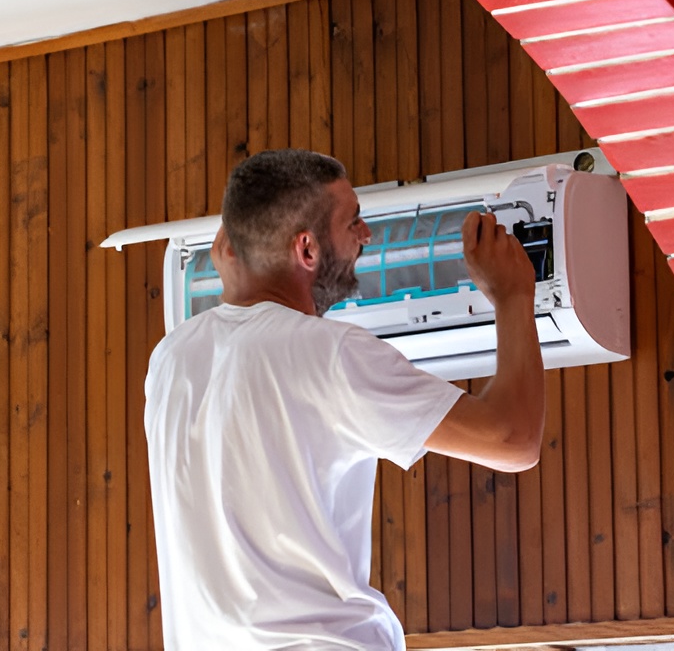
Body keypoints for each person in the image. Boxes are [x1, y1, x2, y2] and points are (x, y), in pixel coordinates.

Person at [144, 149, 545, 650]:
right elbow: (514, 439)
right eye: (353, 220)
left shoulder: (171, 361)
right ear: (307, 249)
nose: (367, 235)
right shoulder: (328, 354)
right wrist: (513, 295)